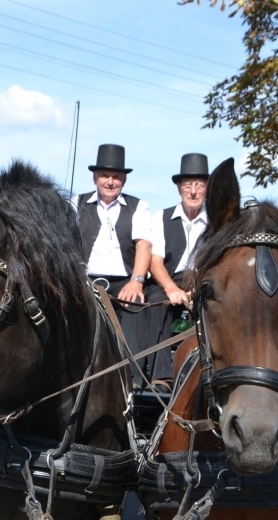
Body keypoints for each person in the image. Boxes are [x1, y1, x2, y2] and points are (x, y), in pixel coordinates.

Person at [73, 144, 152, 369]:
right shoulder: (75, 203)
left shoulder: (138, 206)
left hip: (123, 282)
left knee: (136, 303)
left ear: (123, 181)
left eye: (116, 177)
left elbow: (144, 245)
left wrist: (136, 282)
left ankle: (133, 376)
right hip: (85, 280)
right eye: (105, 176)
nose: (110, 181)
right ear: (95, 178)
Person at [142, 153, 209, 392]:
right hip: (167, 280)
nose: (193, 191)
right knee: (156, 301)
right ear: (179, 188)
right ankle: (161, 378)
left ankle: (205, 377)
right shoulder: (162, 216)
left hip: (203, 280)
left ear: (207, 189)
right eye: (188, 185)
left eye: (199, 185)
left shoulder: (216, 222)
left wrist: (198, 289)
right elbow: (155, 262)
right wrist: (172, 289)